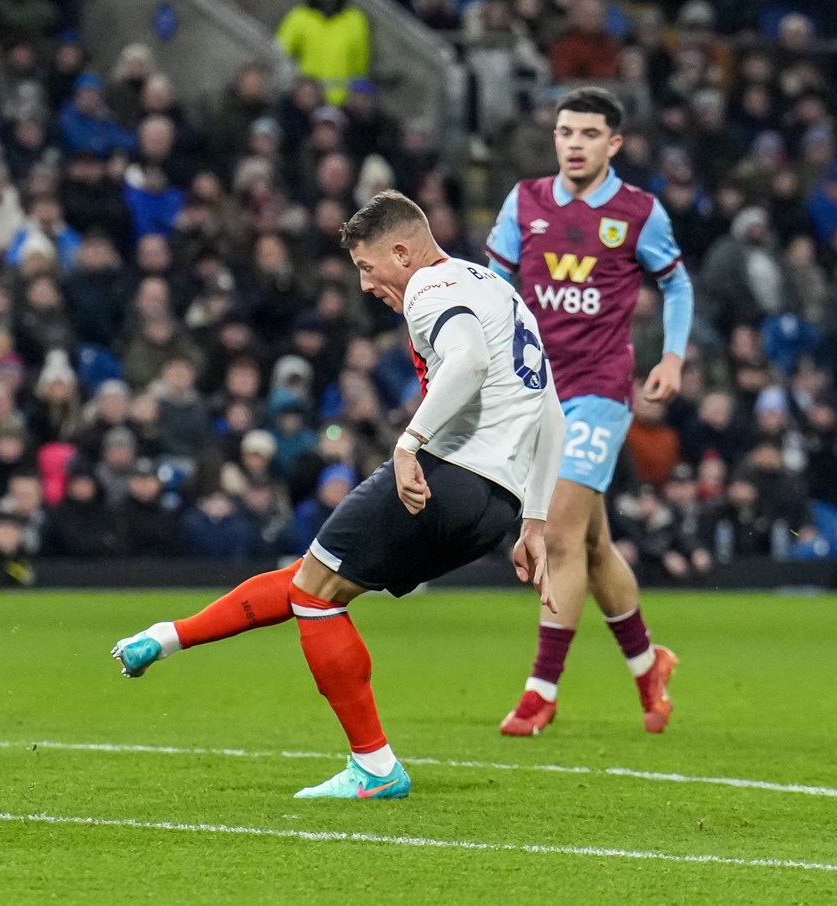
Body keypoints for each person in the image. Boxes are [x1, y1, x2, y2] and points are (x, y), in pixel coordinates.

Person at [112, 191, 564, 799]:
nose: (364, 284)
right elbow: (551, 412)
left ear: (402, 252)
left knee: (317, 599)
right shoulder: (499, 291)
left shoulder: (431, 290)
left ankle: (375, 767)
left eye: (367, 266)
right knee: (316, 582)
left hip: (445, 474)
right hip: (497, 507)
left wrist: (410, 443)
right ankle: (166, 638)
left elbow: (470, 360)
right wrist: (533, 519)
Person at [485, 87, 693, 736]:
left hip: (599, 392)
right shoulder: (525, 202)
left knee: (557, 535)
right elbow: (494, 285)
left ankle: (539, 692)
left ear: (613, 144)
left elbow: (676, 283)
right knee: (596, 547)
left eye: (586, 133)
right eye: (564, 132)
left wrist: (672, 358)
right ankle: (647, 665)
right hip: (534, 391)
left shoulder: (637, 212)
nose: (573, 143)